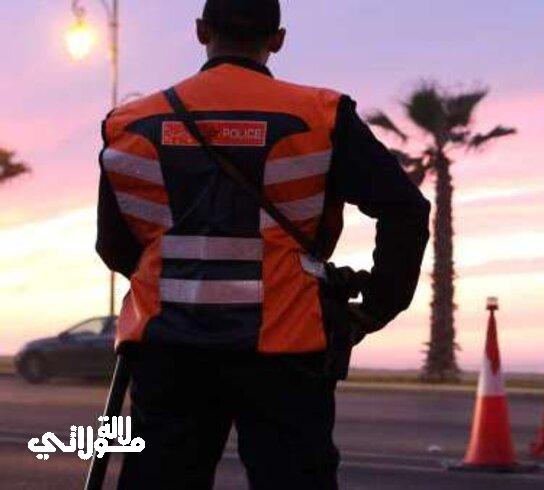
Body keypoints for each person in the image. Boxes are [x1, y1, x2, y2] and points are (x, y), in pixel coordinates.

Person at [95, 1, 430, 488]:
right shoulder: (322, 115)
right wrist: (376, 307)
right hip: (287, 348)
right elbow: (405, 209)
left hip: (169, 348)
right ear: (277, 39)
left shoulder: (130, 122)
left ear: (201, 31)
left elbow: (113, 246)